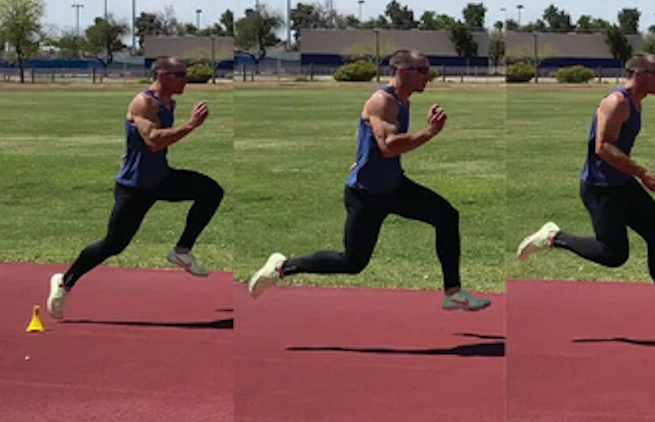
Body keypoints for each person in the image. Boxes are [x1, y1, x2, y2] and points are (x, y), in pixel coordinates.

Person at [248, 49, 491, 311]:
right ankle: (281, 267)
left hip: (394, 187)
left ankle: (453, 292)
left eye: (428, 70)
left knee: (446, 216)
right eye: (422, 70)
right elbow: (388, 146)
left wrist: (361, 157)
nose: (428, 77)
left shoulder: (403, 100)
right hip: (366, 195)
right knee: (352, 263)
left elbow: (367, 136)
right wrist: (430, 132)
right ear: (401, 71)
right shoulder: (382, 100)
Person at [516, 53, 655, 328]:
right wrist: (643, 173)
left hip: (621, 183)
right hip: (601, 188)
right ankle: (554, 237)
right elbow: (602, 147)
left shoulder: (636, 102)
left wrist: (636, 176)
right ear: (638, 73)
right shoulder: (617, 102)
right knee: (613, 255)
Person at [46, 57, 225, 320]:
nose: (185, 79)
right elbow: (153, 141)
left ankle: (181, 251)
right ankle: (64, 282)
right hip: (135, 187)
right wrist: (191, 126)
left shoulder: (168, 102)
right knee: (113, 244)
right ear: (162, 75)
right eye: (179, 74)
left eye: (185, 74)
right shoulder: (144, 102)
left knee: (211, 191)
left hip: (160, 179)